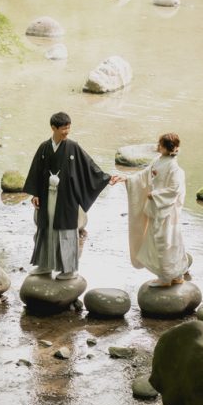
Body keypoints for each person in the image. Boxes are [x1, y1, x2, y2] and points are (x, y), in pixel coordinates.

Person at [23, 112, 121, 279]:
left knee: (66, 231)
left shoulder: (73, 147)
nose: (67, 131)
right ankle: (44, 266)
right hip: (47, 196)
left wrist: (106, 178)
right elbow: (36, 172)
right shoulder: (44, 147)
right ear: (53, 128)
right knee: (45, 229)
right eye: (63, 128)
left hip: (66, 197)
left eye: (68, 127)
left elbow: (89, 166)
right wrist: (35, 194)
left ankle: (68, 270)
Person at [125, 133, 189, 287]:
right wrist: (126, 179)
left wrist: (155, 194)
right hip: (157, 207)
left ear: (168, 148)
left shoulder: (173, 167)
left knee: (164, 240)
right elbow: (143, 175)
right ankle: (174, 275)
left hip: (166, 210)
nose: (157, 146)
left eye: (160, 144)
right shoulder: (158, 160)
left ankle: (167, 277)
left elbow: (175, 189)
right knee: (163, 240)